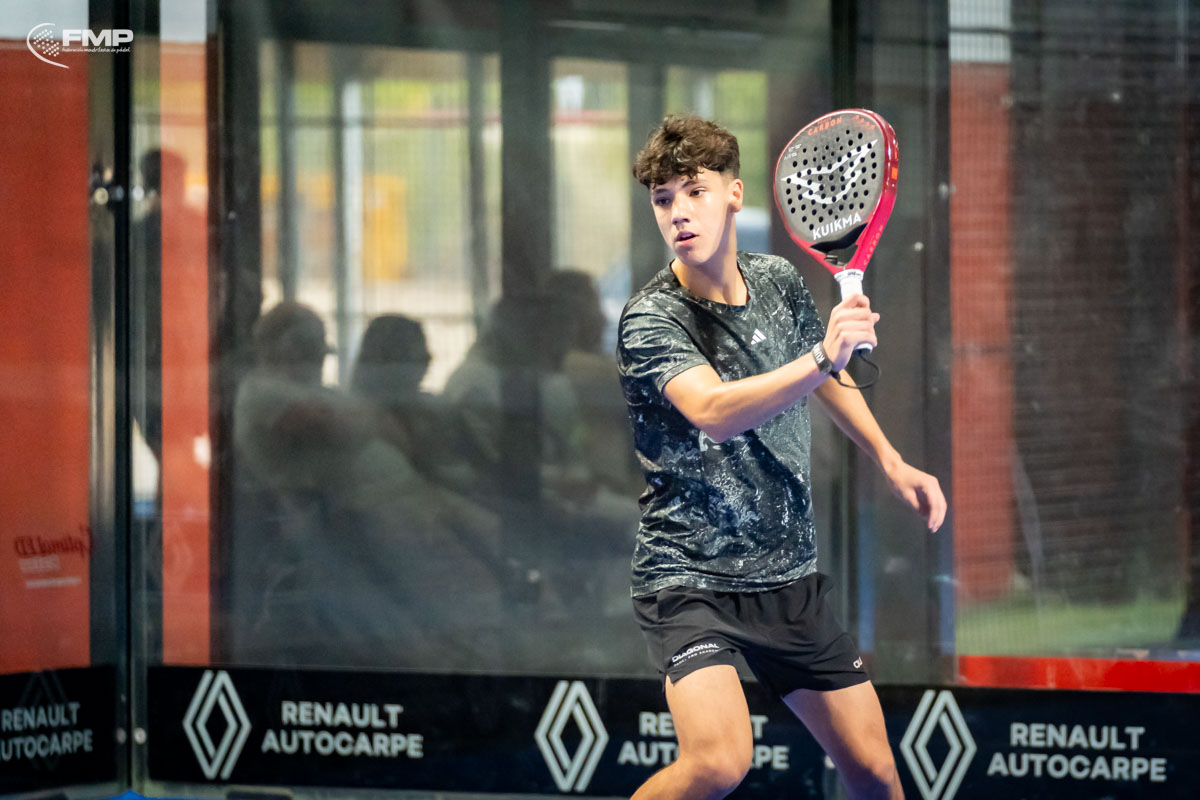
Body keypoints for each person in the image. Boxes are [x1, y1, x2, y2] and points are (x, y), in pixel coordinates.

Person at [617, 115, 947, 800]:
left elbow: (824, 379)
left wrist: (889, 458)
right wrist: (823, 354)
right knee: (718, 762)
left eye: (695, 191)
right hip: (689, 579)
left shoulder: (778, 280)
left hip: (788, 577)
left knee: (876, 773)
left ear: (734, 194)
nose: (679, 212)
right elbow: (715, 411)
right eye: (663, 199)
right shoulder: (652, 318)